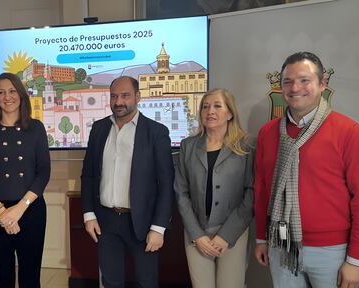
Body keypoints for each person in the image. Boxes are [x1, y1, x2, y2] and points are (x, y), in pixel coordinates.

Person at [253, 52, 359, 288]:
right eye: (288, 81)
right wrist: (262, 237)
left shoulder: (349, 132)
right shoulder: (267, 133)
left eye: (304, 80)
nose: (295, 88)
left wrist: (356, 261)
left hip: (331, 252)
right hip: (281, 245)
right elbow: (262, 190)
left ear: (322, 84)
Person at [81, 76, 174, 287]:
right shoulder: (99, 129)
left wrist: (158, 228)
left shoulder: (156, 132)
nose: (118, 102)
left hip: (142, 222)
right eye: (114, 96)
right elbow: (88, 174)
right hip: (105, 221)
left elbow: (166, 184)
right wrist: (88, 214)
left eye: (125, 96)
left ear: (138, 97)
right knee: (111, 281)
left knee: (146, 282)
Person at [0, 72, 51, 287]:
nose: (7, 97)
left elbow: (43, 171)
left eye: (12, 91)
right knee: (2, 276)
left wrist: (19, 209)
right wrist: (1, 212)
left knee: (30, 276)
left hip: (30, 210)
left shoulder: (36, 128)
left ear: (21, 94)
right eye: (1, 92)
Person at [174, 88, 254, 288]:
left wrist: (225, 236)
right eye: (205, 106)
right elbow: (181, 192)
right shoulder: (188, 146)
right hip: (197, 230)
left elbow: (251, 193)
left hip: (232, 232)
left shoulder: (245, 147)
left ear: (230, 113)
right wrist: (197, 235)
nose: (210, 111)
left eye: (217, 106)